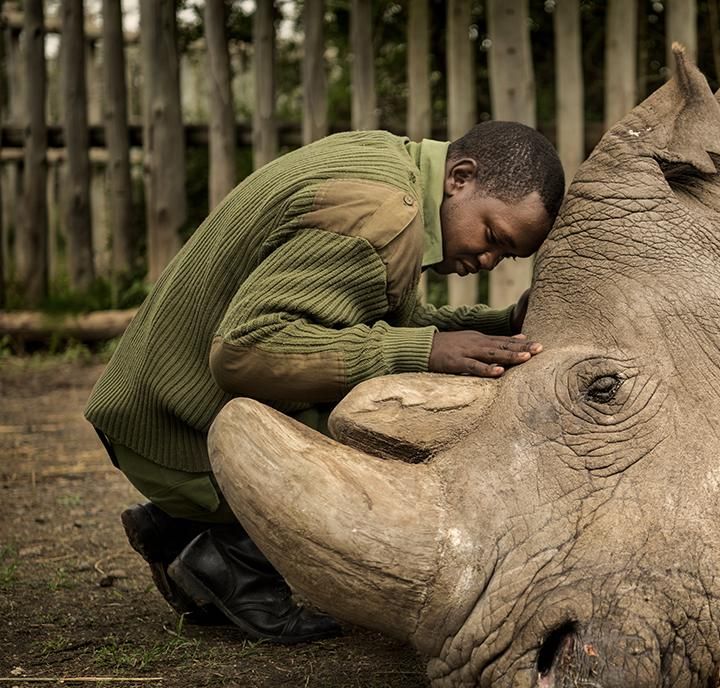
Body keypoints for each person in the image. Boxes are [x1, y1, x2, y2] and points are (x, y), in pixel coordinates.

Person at [85, 122, 565, 644]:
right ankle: (228, 556)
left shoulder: (389, 166)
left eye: (507, 255)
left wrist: (500, 326)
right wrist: (421, 353)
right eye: (493, 236)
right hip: (173, 434)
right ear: (460, 178)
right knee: (396, 426)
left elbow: (377, 319)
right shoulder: (380, 216)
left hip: (151, 408)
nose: (488, 260)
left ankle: (177, 526)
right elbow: (245, 352)